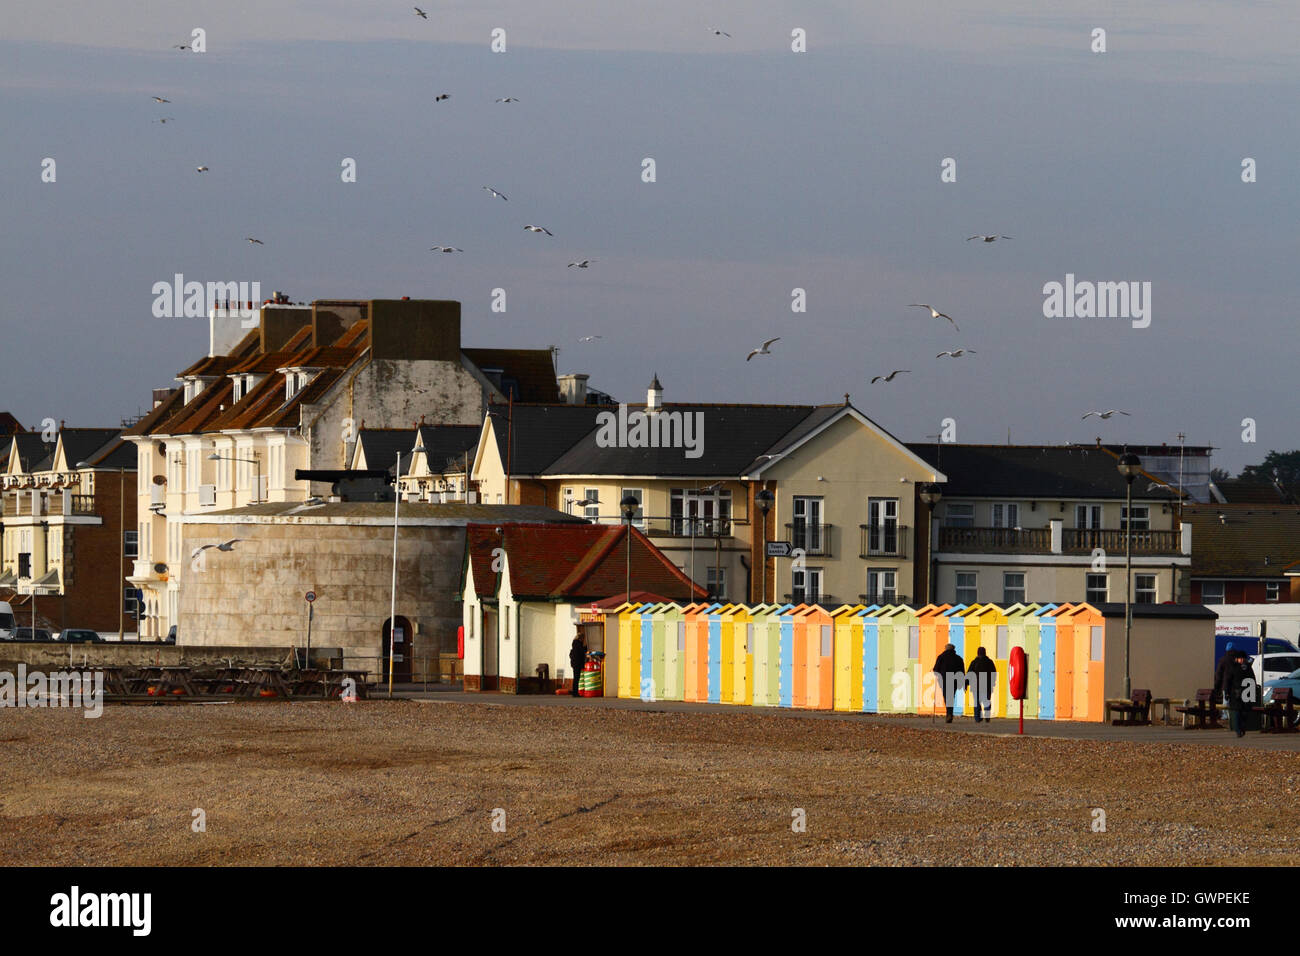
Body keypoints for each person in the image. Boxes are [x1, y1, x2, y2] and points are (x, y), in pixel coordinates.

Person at [1225, 649, 1255, 737]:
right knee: (1238, 712)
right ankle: (1238, 730)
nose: (1241, 660)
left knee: (1245, 712)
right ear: (1236, 659)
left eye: (1242, 659)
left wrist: (1252, 692)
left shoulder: (1248, 667)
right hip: (1235, 693)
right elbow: (1228, 680)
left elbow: (1252, 679)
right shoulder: (1233, 667)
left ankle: (1242, 727)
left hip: (1247, 692)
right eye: (1239, 659)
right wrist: (1227, 692)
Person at [932, 642, 966, 722]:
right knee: (951, 696)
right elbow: (961, 671)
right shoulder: (958, 658)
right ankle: (949, 713)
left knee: (947, 696)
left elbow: (936, 669)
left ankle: (949, 713)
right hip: (954, 680)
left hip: (944, 679)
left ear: (946, 649)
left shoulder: (941, 657)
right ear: (953, 649)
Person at [966, 646, 998, 723]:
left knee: (977, 702)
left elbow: (969, 674)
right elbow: (994, 673)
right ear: (985, 653)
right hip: (987, 685)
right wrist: (992, 683)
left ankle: (978, 718)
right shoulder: (989, 662)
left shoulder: (974, 662)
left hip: (975, 686)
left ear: (978, 653)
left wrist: (966, 683)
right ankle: (987, 715)